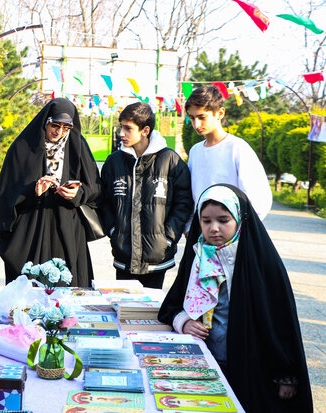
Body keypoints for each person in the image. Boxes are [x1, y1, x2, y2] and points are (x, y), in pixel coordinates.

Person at [158, 184, 313, 412]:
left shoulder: (261, 262)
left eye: (223, 220)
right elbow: (173, 304)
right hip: (204, 362)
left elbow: (281, 322)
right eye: (206, 221)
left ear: (240, 219)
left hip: (251, 364)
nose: (214, 229)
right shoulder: (197, 255)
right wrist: (184, 322)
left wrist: (286, 375)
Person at [0, 98, 101, 287]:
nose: (59, 133)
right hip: (31, 230)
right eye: (55, 125)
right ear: (45, 122)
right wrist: (32, 191)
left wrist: (77, 194)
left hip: (68, 229)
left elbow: (96, 187)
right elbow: (3, 196)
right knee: (31, 290)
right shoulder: (23, 148)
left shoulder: (77, 146)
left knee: (67, 291)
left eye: (66, 128)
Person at [100, 102, 193, 289]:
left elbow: (183, 203)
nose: (121, 133)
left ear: (145, 130)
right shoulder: (114, 162)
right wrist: (113, 232)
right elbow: (103, 202)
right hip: (123, 255)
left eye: (128, 129)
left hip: (157, 257)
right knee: (124, 310)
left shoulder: (170, 160)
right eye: (121, 127)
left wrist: (167, 239)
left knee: (150, 314)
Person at [185, 85, 272, 223]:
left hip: (232, 234)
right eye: (192, 118)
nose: (196, 124)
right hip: (199, 233)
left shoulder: (237, 148)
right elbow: (190, 195)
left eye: (202, 117)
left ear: (220, 113)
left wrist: (241, 229)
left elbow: (259, 197)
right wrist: (189, 227)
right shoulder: (195, 151)